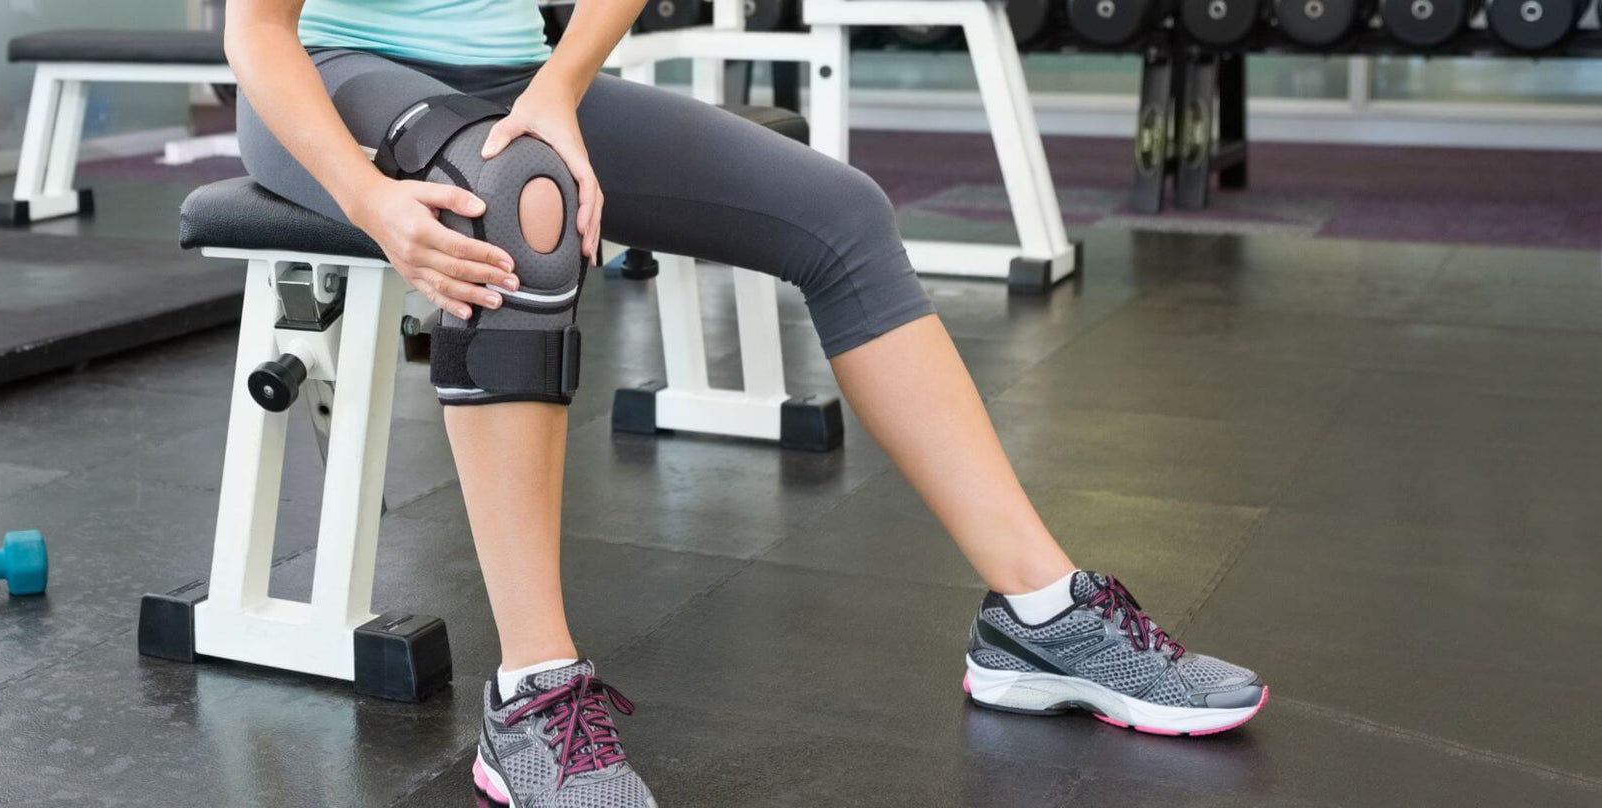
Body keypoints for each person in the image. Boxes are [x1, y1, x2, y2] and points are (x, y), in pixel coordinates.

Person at [224, 0, 1268, 804]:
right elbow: (257, 33)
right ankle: (534, 694)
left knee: (841, 213)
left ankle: (1041, 617)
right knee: (523, 206)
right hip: (323, 81)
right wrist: (373, 206)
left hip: (513, 74)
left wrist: (559, 83)